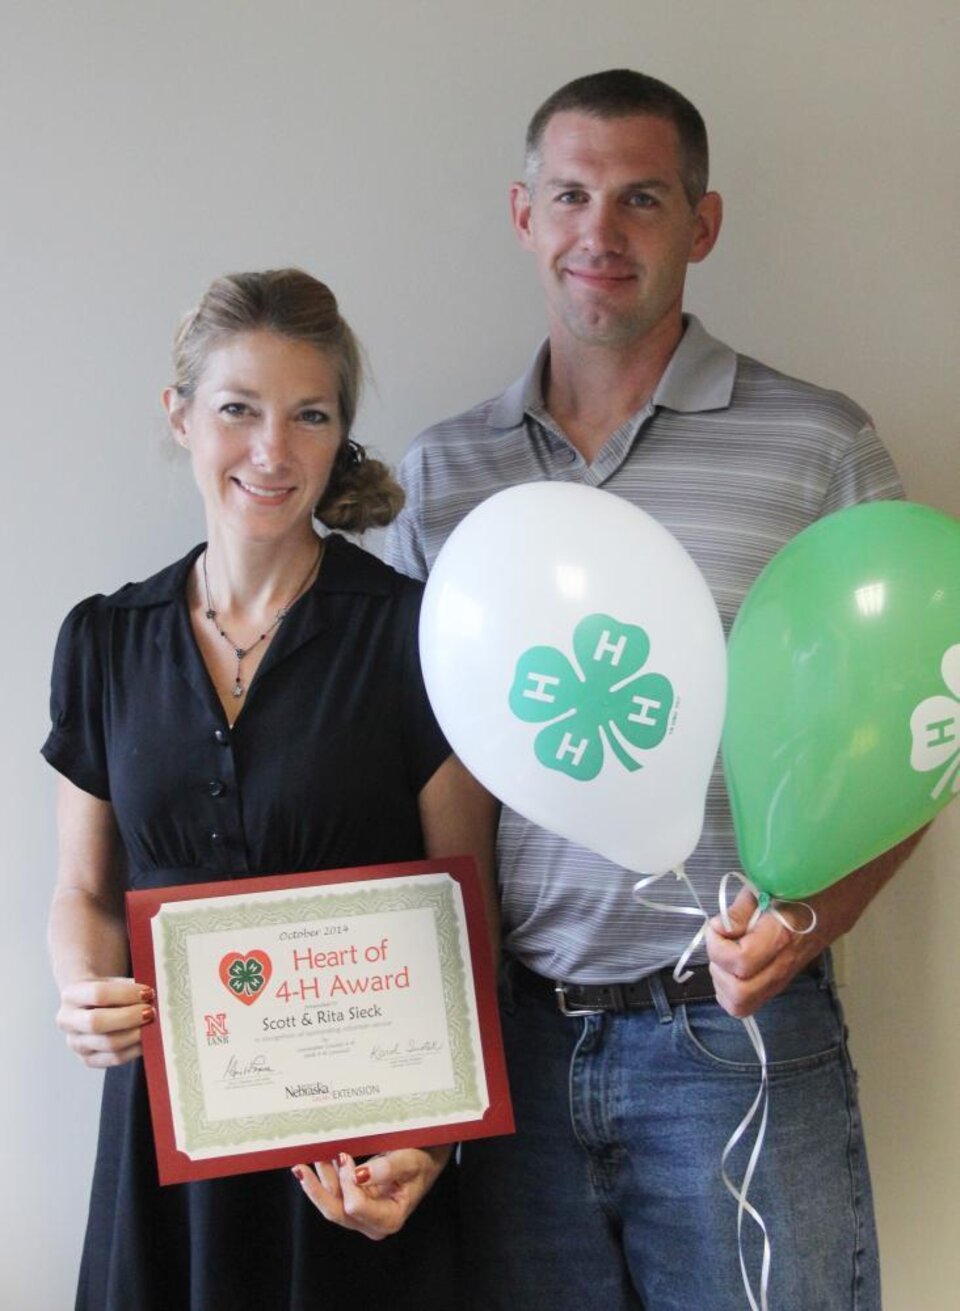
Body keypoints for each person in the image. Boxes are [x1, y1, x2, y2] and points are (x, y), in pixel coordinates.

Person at [386, 70, 922, 1310]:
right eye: (571, 195)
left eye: (642, 199)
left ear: (704, 222)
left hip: (738, 1047)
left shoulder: (815, 445)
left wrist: (811, 922)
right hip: (514, 1046)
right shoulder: (446, 471)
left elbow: (908, 731)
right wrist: (431, 1046)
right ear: (524, 215)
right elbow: (432, 769)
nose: (602, 232)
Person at [44, 268, 496, 1311]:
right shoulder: (104, 640)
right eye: (238, 409)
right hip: (167, 1137)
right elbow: (81, 886)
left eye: (310, 416)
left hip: (360, 1147)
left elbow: (464, 901)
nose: (272, 451)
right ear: (181, 417)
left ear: (342, 435)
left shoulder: (414, 634)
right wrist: (83, 992)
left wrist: (427, 1139)